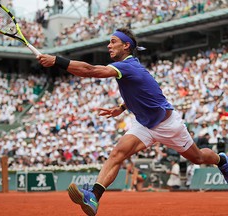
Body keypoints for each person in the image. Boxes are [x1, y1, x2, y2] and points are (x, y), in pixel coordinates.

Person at [37, 27, 228, 216]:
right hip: (144, 125)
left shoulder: (128, 66)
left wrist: (56, 60)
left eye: (113, 41)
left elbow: (90, 70)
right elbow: (139, 93)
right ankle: (94, 196)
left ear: (126, 46)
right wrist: (121, 107)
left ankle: (222, 160)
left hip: (168, 125)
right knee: (117, 153)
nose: (108, 45)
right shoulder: (128, 67)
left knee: (198, 158)